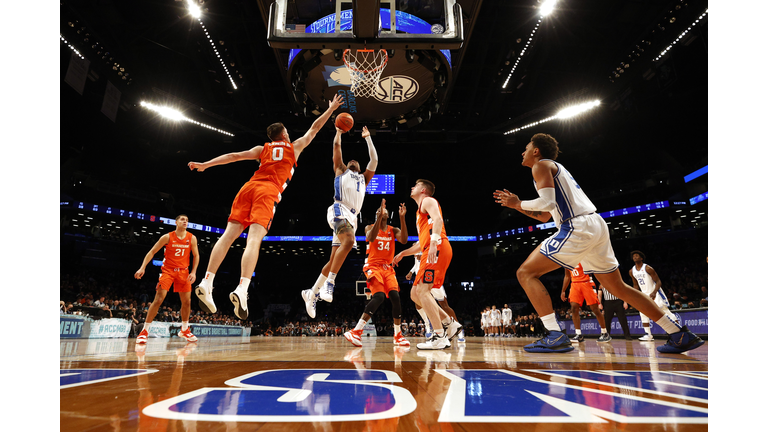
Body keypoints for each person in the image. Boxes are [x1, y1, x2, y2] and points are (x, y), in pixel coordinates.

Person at [493, 133, 704, 354]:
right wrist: (517, 206)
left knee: (525, 273)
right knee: (618, 287)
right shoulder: (552, 169)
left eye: (526, 147)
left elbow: (547, 202)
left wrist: (519, 201)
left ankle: (554, 334)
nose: (522, 152)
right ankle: (679, 333)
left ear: (536, 151)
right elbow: (545, 215)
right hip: (595, 225)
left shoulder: (541, 165)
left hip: (577, 225)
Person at [190, 94, 344, 319]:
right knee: (253, 240)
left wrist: (206, 164)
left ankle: (207, 281)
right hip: (267, 192)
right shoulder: (294, 147)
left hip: (247, 188)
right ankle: (242, 288)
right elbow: (314, 128)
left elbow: (234, 156)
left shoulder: (262, 149)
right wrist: (330, 109)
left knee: (227, 236)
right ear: (284, 135)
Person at [302, 124, 379, 317]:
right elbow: (337, 148)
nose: (353, 161)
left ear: (360, 168)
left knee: (333, 260)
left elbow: (375, 159)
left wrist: (368, 138)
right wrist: (338, 132)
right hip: (338, 210)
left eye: (356, 161)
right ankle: (330, 284)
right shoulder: (341, 170)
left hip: (351, 218)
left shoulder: (363, 178)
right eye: (350, 160)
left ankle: (311, 292)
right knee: (350, 241)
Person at [392, 179, 462, 350]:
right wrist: (403, 253)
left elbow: (438, 220)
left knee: (423, 291)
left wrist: (433, 243)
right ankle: (449, 323)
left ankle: (439, 336)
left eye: (415, 185)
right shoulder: (419, 213)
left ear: (423, 190)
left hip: (437, 248)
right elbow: (419, 244)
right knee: (415, 294)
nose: (411, 187)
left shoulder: (428, 201)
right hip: (431, 249)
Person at [133, 214, 200, 344]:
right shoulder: (167, 237)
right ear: (176, 222)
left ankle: (185, 329)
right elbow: (152, 251)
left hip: (183, 272)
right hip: (168, 271)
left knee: (187, 302)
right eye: (182, 219)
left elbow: (196, 255)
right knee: (158, 299)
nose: (185, 221)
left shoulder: (192, 238)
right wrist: (142, 268)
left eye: (187, 220)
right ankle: (144, 331)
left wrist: (194, 272)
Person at [398, 247, 466, 342]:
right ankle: (429, 326)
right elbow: (416, 264)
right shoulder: (418, 252)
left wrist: (418, 256)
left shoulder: (428, 247)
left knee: (444, 306)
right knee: (417, 301)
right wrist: (411, 272)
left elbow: (433, 259)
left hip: (431, 277)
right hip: (420, 279)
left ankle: (458, 330)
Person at [629, 250, 679, 341]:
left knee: (665, 311)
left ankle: (680, 330)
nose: (635, 257)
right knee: (642, 313)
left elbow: (658, 281)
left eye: (637, 256)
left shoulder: (648, 268)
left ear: (641, 258)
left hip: (654, 293)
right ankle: (648, 334)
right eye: (633, 256)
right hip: (644, 294)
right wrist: (635, 296)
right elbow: (635, 285)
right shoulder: (632, 271)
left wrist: (654, 292)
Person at [560, 263, 611, 342]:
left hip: (587, 283)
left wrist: (602, 281)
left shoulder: (584, 256)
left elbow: (595, 270)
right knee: (573, 308)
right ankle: (578, 334)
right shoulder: (567, 261)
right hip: (575, 284)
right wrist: (563, 291)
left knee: (595, 309)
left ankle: (605, 333)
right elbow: (567, 276)